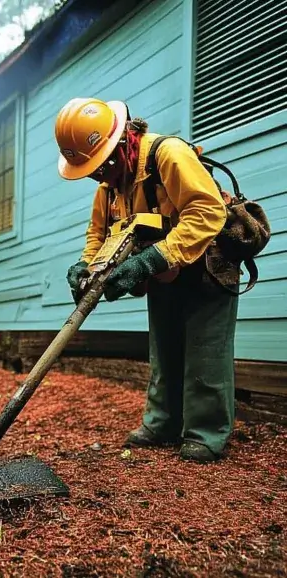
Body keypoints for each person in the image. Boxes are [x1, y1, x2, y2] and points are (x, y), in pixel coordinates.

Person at [55, 97, 238, 463]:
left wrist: (149, 260)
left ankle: (205, 433)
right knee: (164, 349)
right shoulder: (109, 183)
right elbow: (98, 232)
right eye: (90, 171)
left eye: (99, 167)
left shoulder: (168, 154)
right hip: (163, 269)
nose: (97, 176)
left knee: (204, 352)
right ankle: (162, 423)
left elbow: (207, 212)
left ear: (120, 144)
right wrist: (85, 266)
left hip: (207, 263)